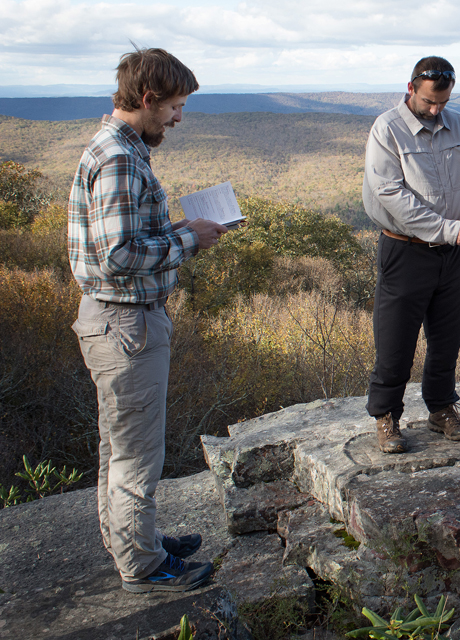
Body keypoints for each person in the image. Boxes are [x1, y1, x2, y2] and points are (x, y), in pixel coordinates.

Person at [68, 47, 227, 593]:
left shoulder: (116, 149)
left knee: (117, 447)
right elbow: (117, 255)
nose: (178, 118)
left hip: (115, 322)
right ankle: (143, 565)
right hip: (127, 325)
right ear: (147, 98)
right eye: (175, 106)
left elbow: (124, 240)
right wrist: (189, 240)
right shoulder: (119, 158)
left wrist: (180, 229)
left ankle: (133, 543)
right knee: (137, 454)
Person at [362, 56, 460, 454]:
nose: (435, 110)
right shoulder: (387, 128)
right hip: (406, 249)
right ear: (411, 88)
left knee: (447, 337)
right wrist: (451, 230)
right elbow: (390, 193)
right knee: (395, 339)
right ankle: (386, 416)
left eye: (443, 102)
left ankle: (441, 409)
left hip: (455, 252)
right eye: (429, 101)